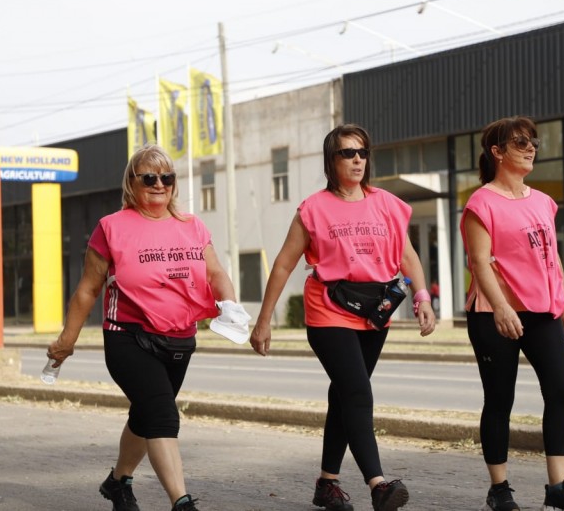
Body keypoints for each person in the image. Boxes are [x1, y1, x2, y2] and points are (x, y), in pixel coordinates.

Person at [250, 124, 436, 511]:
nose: (357, 160)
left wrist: (422, 296)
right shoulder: (313, 209)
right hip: (329, 310)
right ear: (330, 161)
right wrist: (264, 320)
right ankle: (378, 484)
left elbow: (407, 256)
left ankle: (327, 484)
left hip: (376, 312)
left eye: (362, 153)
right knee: (357, 392)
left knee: (344, 396)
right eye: (347, 153)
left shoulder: (386, 203)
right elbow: (284, 265)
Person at [47, 145, 240, 511]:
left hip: (180, 338)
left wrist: (229, 305)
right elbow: (88, 289)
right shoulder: (112, 227)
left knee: (146, 414)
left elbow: (215, 273)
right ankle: (182, 502)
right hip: (128, 337)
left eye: (166, 177)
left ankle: (118, 482)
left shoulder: (192, 226)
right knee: (163, 415)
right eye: (148, 177)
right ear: (131, 183)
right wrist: (66, 341)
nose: (158, 184)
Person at [460, 116, 564, 511]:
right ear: (497, 152)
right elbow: (479, 263)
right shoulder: (480, 203)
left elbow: (552, 259)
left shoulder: (542, 201)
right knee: (500, 399)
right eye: (520, 142)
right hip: (494, 314)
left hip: (543, 312)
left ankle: (559, 487)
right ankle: (499, 490)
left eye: (533, 142)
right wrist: (501, 307)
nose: (531, 147)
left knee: (559, 392)